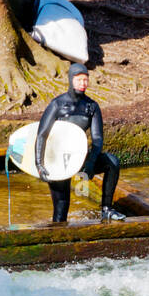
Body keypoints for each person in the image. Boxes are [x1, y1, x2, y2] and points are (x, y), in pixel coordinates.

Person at [34, 62, 125, 224]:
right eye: (78, 80)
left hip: (79, 157)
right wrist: (39, 165)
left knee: (112, 162)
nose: (83, 84)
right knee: (61, 211)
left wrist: (90, 163)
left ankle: (106, 209)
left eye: (85, 80)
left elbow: (97, 139)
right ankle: (58, 240)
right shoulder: (57, 104)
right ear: (70, 80)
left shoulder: (91, 106)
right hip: (58, 160)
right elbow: (42, 135)